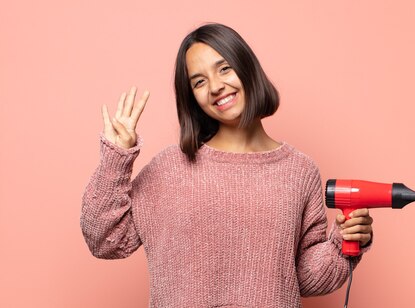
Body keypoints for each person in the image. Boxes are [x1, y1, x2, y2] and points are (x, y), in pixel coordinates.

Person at [80, 23, 373, 307]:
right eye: (199, 81)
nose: (216, 87)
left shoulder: (299, 171)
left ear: (246, 68)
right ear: (192, 97)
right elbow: (104, 240)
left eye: (224, 68)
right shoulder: (170, 168)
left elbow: (302, 279)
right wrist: (117, 158)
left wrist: (343, 242)